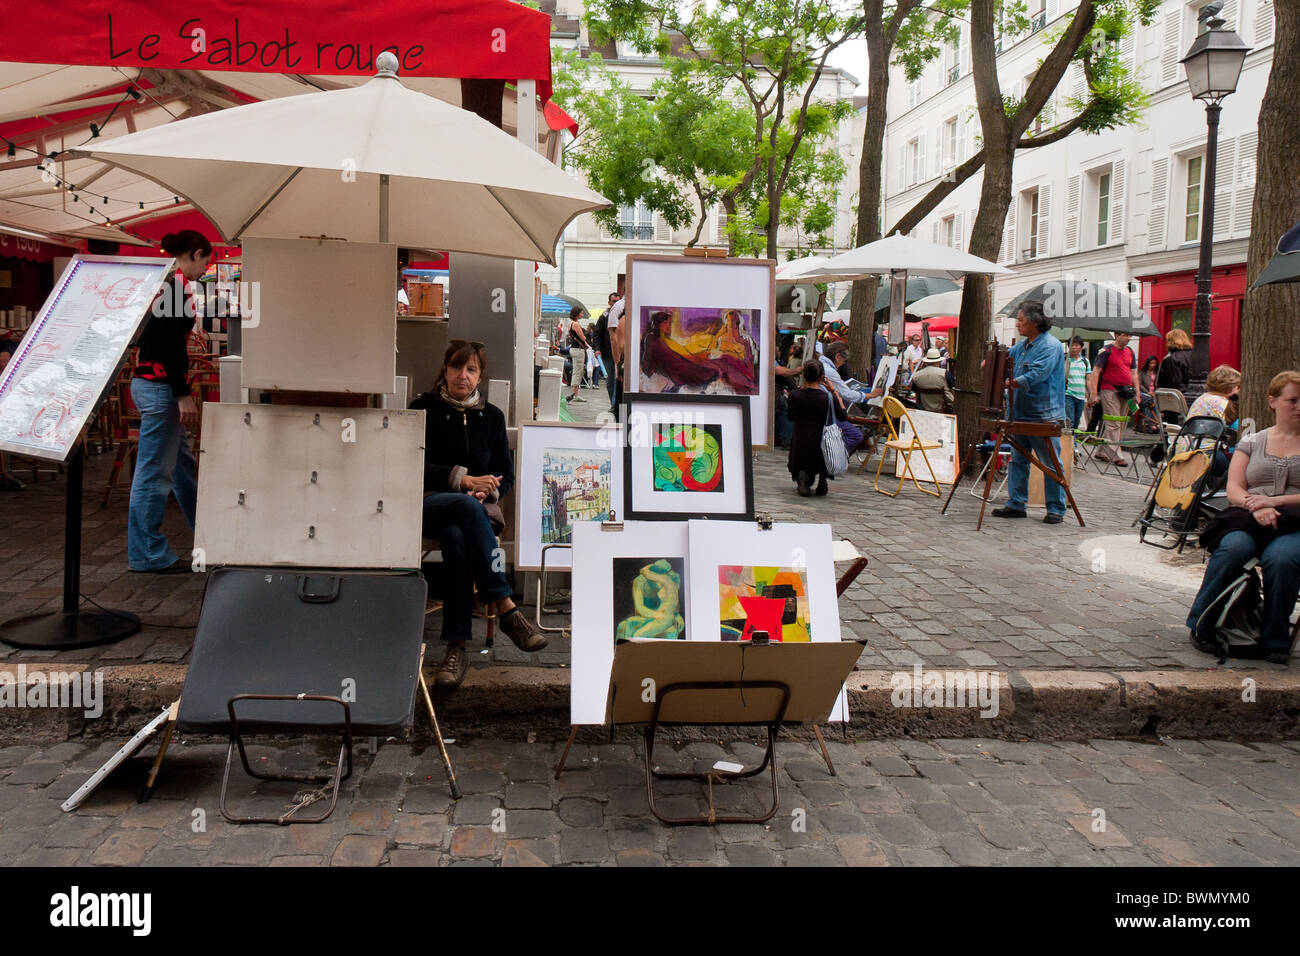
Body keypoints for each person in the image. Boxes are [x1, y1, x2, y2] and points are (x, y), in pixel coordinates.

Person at [411, 341, 548, 688]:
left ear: (480, 376)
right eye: (457, 368)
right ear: (444, 370)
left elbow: (506, 471)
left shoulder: (492, 418)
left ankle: (456, 648)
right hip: (429, 503)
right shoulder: (422, 409)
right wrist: (462, 479)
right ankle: (504, 605)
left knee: (459, 536)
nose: (463, 375)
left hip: (473, 513)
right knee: (465, 508)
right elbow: (410, 462)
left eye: (471, 369)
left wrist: (489, 488)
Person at [1185, 371, 1300, 664]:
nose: (1299, 407)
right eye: (1293, 400)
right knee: (1234, 548)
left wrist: (1274, 501)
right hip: (1248, 516)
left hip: (1295, 521)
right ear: (1273, 402)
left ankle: (1275, 639)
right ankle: (1202, 624)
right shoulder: (1252, 441)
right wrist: (1256, 506)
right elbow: (1234, 487)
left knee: (1281, 559)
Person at [127, 231, 211, 573]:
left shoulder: (163, 284)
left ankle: (207, 534)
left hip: (148, 384)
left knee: (181, 468)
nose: (205, 269)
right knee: (154, 474)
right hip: (160, 388)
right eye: (205, 261)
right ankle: (147, 554)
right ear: (196, 253)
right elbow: (168, 347)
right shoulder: (174, 289)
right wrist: (182, 394)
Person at [992, 300, 1068, 524]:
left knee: (1049, 462)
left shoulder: (1050, 346)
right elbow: (1006, 357)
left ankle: (1056, 508)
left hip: (1043, 415)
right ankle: (1016, 503)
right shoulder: (1024, 345)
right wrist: (993, 362)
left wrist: (1009, 383)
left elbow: (1036, 376)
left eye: (1022, 320)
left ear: (1035, 322)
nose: (1018, 324)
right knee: (1018, 459)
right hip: (1020, 412)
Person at [786, 360, 845, 497]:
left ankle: (803, 477)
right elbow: (842, 416)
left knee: (800, 457)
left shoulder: (795, 396)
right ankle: (822, 479)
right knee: (822, 456)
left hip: (800, 441)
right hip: (821, 443)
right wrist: (833, 390)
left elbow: (790, 417)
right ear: (822, 377)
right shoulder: (827, 398)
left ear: (804, 375)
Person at [1085, 331, 1141, 466]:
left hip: (1126, 392)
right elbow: (1096, 372)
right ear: (1117, 335)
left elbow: (1134, 373)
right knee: (1113, 422)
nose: (1128, 338)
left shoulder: (1130, 351)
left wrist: (1137, 393)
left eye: (1130, 335)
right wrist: (1093, 393)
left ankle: (1102, 451)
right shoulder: (1106, 351)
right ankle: (1116, 455)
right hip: (1109, 390)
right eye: (1125, 335)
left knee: (1120, 423)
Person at [819, 341, 882, 454]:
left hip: (821, 410)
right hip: (825, 414)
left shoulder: (820, 363)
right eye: (844, 360)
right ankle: (834, 454)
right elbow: (847, 394)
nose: (843, 364)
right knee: (855, 435)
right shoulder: (830, 371)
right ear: (838, 356)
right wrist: (871, 395)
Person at [909, 348, 955, 413]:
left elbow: (915, 391)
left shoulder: (916, 375)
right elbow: (953, 388)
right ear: (939, 361)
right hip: (945, 408)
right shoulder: (944, 373)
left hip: (924, 409)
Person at [1157, 328, 1194, 401]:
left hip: (1176, 400)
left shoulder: (1171, 358)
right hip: (1193, 396)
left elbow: (1176, 383)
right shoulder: (1195, 355)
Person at [1064, 335, 1091, 429]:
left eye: (1077, 345)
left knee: (1076, 422)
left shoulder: (1085, 361)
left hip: (1081, 396)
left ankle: (1072, 441)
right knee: (1069, 421)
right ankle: (1071, 443)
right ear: (1068, 346)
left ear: (1081, 347)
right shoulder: (1065, 360)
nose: (1074, 347)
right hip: (1068, 394)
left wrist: (1090, 393)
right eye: (1072, 345)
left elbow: (1088, 378)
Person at [564, 306, 589, 403]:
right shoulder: (576, 324)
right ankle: (575, 394)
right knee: (578, 372)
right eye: (581, 313)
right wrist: (585, 337)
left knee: (576, 371)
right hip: (578, 351)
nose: (582, 315)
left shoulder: (570, 323)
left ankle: (575, 394)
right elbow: (583, 338)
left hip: (573, 350)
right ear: (577, 314)